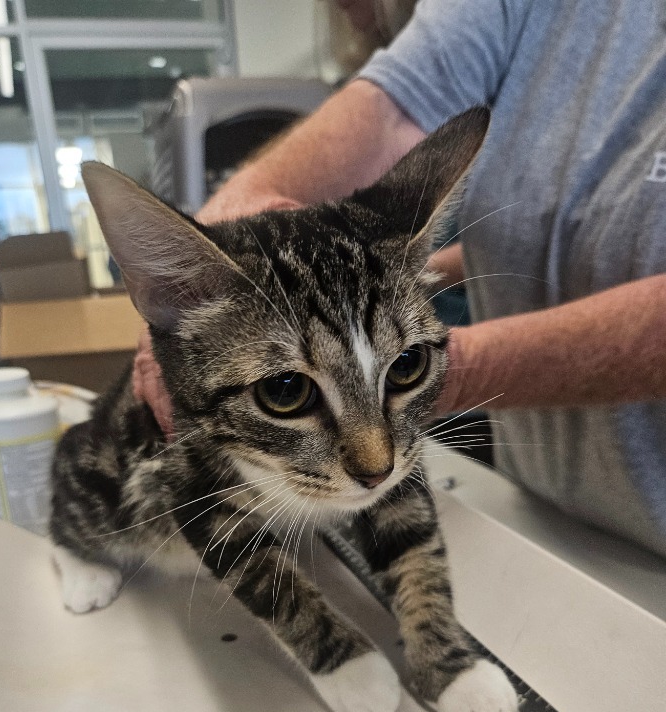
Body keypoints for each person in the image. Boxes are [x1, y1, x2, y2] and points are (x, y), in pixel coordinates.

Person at [134, 0, 666, 559]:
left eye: (407, 369)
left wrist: (428, 370)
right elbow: (391, 112)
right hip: (537, 504)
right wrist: (195, 284)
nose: (375, 463)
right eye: (287, 391)